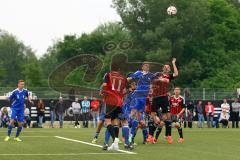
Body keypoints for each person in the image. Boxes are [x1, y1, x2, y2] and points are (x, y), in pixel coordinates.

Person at [127, 62, 161, 145]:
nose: (147, 67)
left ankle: (134, 136)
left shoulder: (150, 75)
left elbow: (158, 78)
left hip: (143, 98)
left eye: (148, 66)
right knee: (133, 113)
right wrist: (127, 80)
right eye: (145, 65)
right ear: (142, 67)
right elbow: (129, 78)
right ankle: (128, 127)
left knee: (140, 119)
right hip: (137, 95)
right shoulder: (138, 73)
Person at [149, 58, 178, 144]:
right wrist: (159, 80)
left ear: (169, 69)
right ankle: (150, 136)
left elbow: (176, 74)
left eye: (168, 67)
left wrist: (173, 63)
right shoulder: (158, 74)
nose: (167, 68)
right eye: (165, 67)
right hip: (156, 97)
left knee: (167, 117)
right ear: (162, 68)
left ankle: (168, 136)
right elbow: (151, 80)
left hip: (164, 97)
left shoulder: (169, 76)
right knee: (153, 116)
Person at [100, 64, 127, 151]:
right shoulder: (123, 77)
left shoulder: (108, 74)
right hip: (119, 101)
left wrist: (103, 93)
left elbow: (104, 84)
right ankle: (115, 144)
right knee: (115, 122)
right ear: (118, 69)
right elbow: (124, 91)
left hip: (110, 100)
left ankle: (115, 139)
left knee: (107, 122)